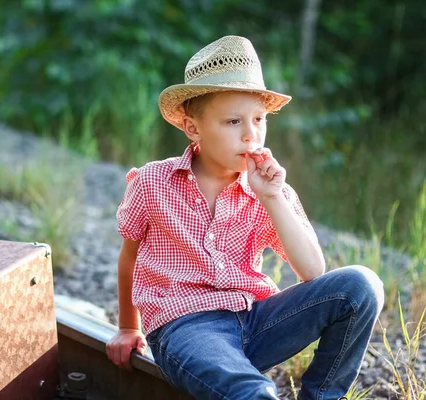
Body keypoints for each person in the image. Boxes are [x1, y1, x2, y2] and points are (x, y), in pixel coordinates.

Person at [105, 35, 384, 400]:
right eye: (234, 121)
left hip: (255, 322)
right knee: (253, 392)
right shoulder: (153, 182)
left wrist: (272, 197)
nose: (251, 134)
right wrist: (128, 327)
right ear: (193, 128)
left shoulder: (268, 190)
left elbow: (313, 272)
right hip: (186, 329)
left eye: (259, 119)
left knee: (361, 286)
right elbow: (130, 256)